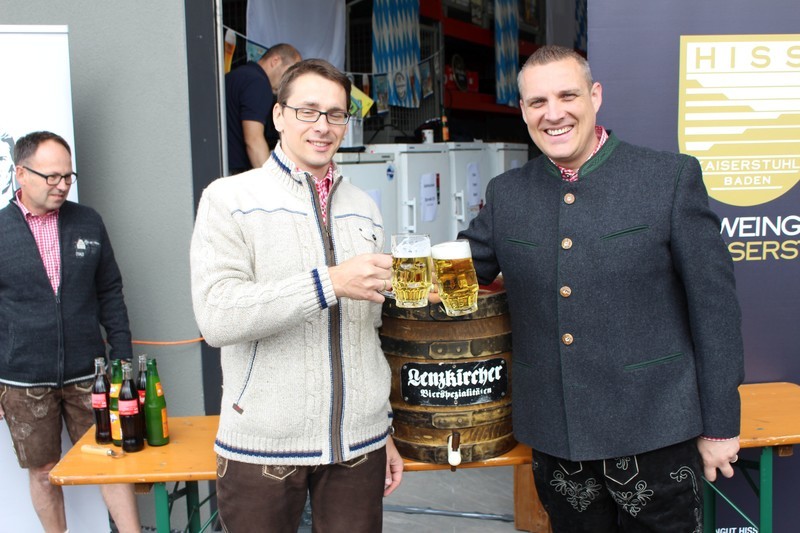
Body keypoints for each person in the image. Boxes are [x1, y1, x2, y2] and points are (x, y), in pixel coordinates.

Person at [457, 45, 745, 531]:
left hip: (657, 431)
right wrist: (386, 269)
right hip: (557, 438)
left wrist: (720, 426)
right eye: (537, 102)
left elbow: (714, 310)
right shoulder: (506, 194)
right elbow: (459, 270)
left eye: (567, 96)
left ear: (595, 96)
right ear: (523, 110)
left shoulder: (669, 178)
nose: (553, 114)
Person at [191, 58, 403, 532]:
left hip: (359, 444)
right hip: (262, 447)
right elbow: (217, 316)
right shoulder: (228, 199)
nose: (322, 126)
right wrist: (329, 283)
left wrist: (383, 427)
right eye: (307, 111)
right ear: (278, 115)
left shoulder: (364, 207)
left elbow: (370, 333)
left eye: (335, 114)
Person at [0, 131, 141, 532]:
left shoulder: (88, 221)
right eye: (52, 177)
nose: (62, 185)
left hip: (90, 374)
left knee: (111, 459)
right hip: (23, 380)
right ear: (20, 174)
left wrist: (122, 361)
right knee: (44, 471)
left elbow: (110, 292)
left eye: (68, 176)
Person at [225, 43, 301, 175]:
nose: (288, 81)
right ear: (275, 61)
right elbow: (253, 139)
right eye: (289, 73)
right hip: (236, 171)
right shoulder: (258, 82)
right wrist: (270, 180)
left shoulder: (234, 76)